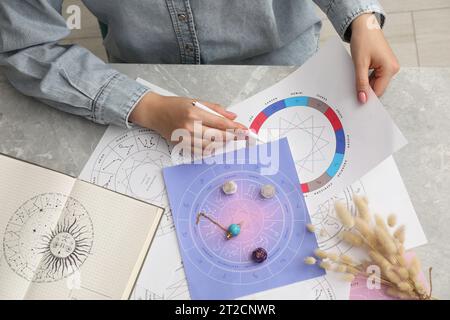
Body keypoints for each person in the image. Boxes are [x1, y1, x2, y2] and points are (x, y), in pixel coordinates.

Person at [0, 0, 399, 146]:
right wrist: (145, 106)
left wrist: (361, 16)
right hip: (144, 70)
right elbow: (24, 42)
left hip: (284, 58)